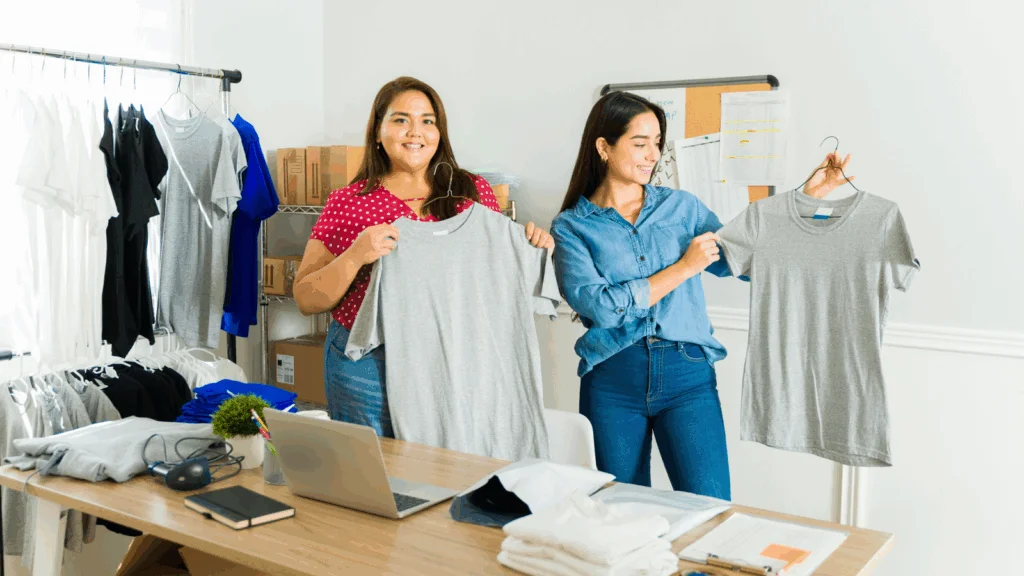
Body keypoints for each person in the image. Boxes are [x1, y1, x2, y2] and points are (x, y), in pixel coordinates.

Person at [292, 76, 553, 437]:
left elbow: (496, 281)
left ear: (440, 132)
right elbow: (306, 298)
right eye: (401, 120)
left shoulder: (471, 192)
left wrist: (532, 247)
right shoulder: (349, 202)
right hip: (368, 364)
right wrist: (355, 256)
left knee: (447, 470)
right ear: (378, 132)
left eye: (428, 121)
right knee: (378, 478)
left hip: (453, 356)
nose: (416, 132)